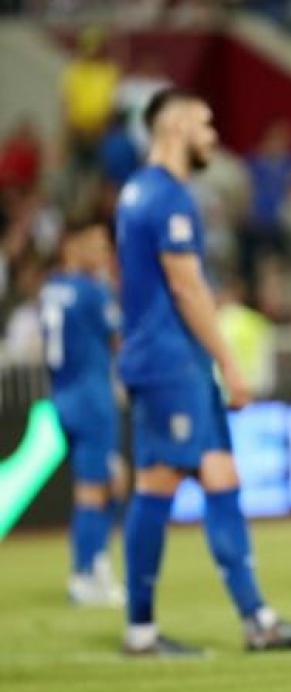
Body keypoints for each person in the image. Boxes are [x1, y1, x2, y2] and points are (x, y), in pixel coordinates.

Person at [114, 87, 291, 656]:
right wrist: (230, 364)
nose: (213, 137)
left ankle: (258, 621)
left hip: (172, 361)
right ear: (176, 127)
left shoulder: (138, 191)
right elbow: (187, 288)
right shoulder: (167, 196)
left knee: (221, 479)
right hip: (169, 363)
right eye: (206, 125)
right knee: (158, 485)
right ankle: (141, 631)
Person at [40, 217, 126, 607]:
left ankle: (97, 563)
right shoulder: (93, 291)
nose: (105, 254)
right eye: (98, 245)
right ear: (73, 246)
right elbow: (118, 339)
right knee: (95, 488)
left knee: (108, 481)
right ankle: (86, 573)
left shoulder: (51, 288)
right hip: (92, 397)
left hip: (62, 396)